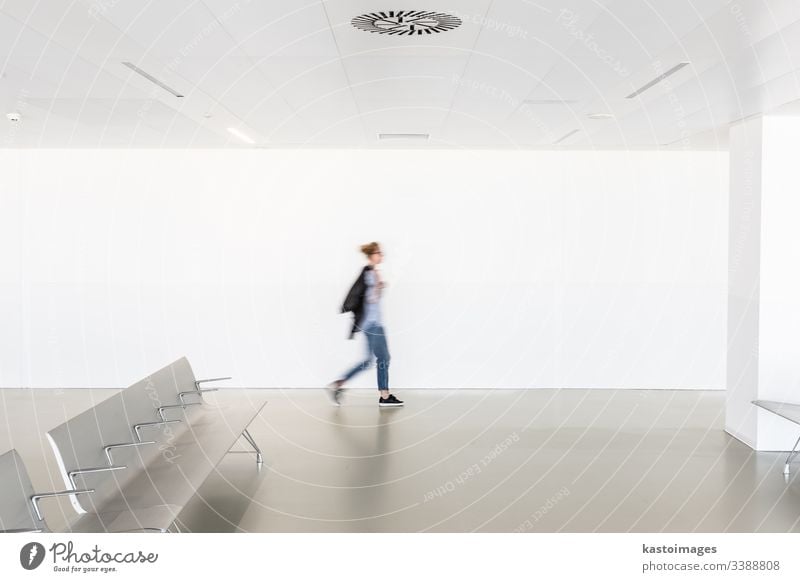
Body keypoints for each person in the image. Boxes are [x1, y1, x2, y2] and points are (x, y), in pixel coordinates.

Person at [328, 242, 404, 407]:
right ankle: (384, 396)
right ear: (372, 255)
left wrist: (379, 286)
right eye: (379, 253)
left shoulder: (373, 273)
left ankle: (339, 384)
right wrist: (376, 288)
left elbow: (370, 295)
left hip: (373, 323)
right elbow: (363, 295)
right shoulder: (368, 273)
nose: (381, 255)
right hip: (372, 324)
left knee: (370, 360)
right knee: (383, 357)